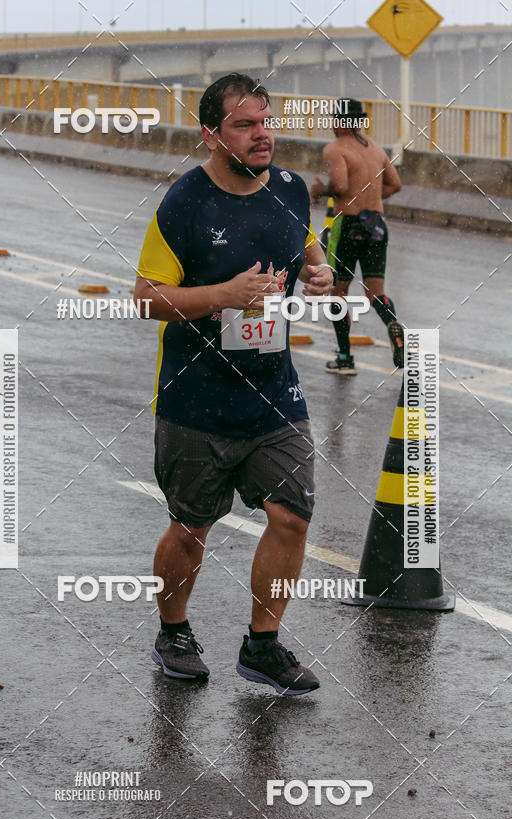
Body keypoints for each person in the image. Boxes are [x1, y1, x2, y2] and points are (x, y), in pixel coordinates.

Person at [134, 73, 334, 696]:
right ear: (212, 135)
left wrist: (321, 272)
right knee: (192, 525)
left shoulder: (292, 190)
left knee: (292, 516)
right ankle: (174, 631)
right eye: (246, 125)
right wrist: (223, 296)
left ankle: (263, 645)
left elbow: (305, 249)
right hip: (196, 399)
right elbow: (145, 299)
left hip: (275, 394)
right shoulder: (184, 203)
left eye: (267, 121)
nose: (263, 134)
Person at [310, 98, 404, 375]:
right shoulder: (375, 148)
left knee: (337, 292)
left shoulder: (335, 148)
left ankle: (344, 358)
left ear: (339, 122)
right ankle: (392, 325)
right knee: (375, 293)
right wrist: (370, 201)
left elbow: (340, 185)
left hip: (347, 226)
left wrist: (320, 190)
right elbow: (395, 184)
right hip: (375, 224)